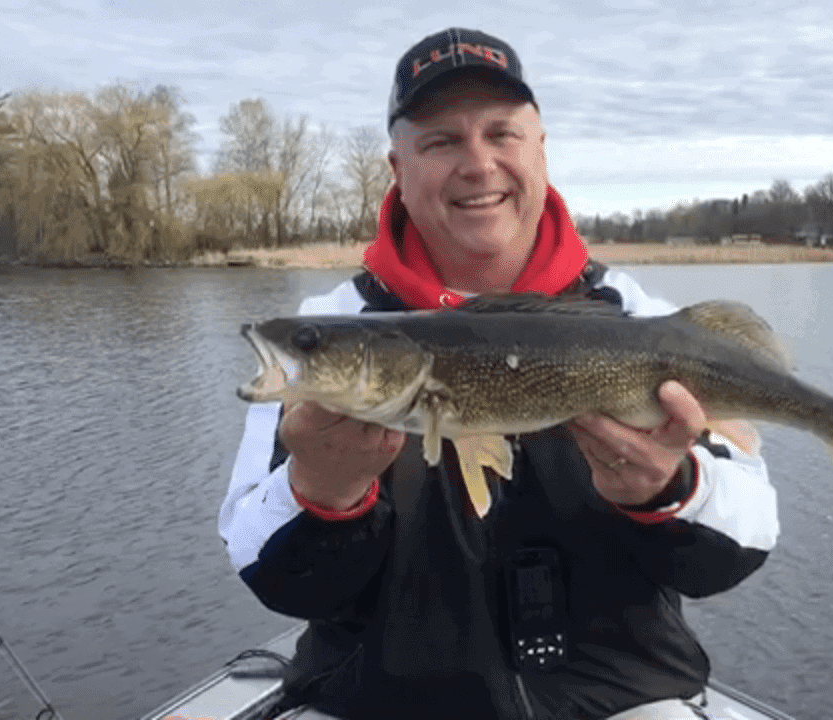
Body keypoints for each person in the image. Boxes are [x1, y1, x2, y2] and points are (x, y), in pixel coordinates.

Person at [218, 27, 779, 720]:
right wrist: (320, 496)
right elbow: (257, 560)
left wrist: (672, 488)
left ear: (540, 150)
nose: (478, 164)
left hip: (622, 702)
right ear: (398, 166)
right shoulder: (330, 330)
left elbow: (751, 534)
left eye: (502, 134)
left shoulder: (636, 317)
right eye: (441, 141)